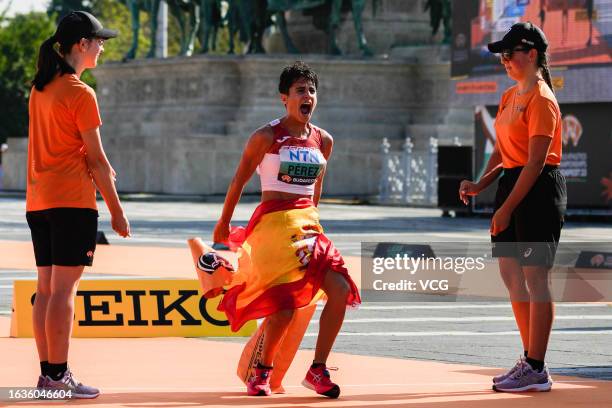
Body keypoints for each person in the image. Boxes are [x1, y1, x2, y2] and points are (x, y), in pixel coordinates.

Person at [213, 61, 360, 398]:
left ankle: (317, 369)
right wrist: (223, 222)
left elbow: (317, 187)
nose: (307, 95)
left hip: (307, 226)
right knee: (284, 308)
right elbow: (239, 179)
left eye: (311, 90)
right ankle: (261, 373)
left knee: (339, 289)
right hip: (274, 226)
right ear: (284, 98)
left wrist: (314, 219)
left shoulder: (324, 140)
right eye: (300, 91)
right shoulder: (266, 136)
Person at [459, 22, 566, 392]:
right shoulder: (509, 97)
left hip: (538, 190)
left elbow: (535, 163)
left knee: (536, 278)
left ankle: (536, 365)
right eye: (501, 55)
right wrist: (481, 184)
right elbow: (504, 153)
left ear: (531, 54)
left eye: (509, 53)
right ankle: (530, 358)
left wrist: (504, 209)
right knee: (510, 275)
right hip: (512, 185)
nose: (504, 60)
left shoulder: (542, 98)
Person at [27, 11, 130, 398]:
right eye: (98, 41)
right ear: (81, 45)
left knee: (47, 288)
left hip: (39, 200)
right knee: (63, 291)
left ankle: (47, 375)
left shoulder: (40, 88)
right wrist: (117, 212)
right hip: (71, 202)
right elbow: (97, 160)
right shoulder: (80, 92)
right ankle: (58, 376)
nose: (102, 47)